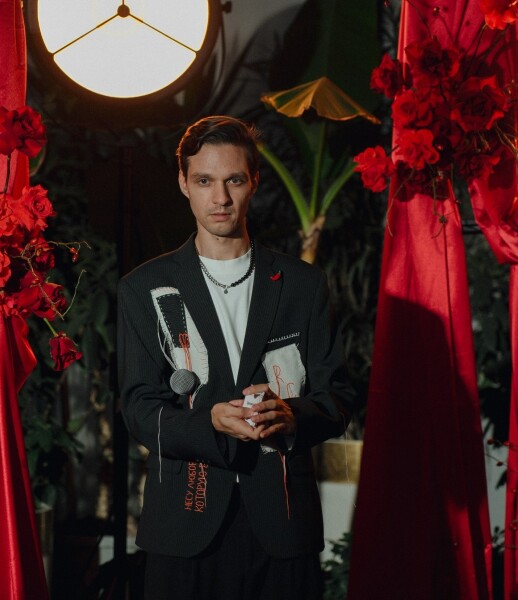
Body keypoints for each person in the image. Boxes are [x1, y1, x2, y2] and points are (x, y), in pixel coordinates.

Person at [117, 115, 354, 600]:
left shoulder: (303, 285)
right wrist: (209, 423)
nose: (220, 198)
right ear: (183, 183)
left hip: (283, 523)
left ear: (255, 182)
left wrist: (291, 415)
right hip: (184, 523)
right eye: (205, 181)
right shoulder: (144, 288)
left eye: (234, 180)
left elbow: (339, 397)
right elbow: (139, 409)